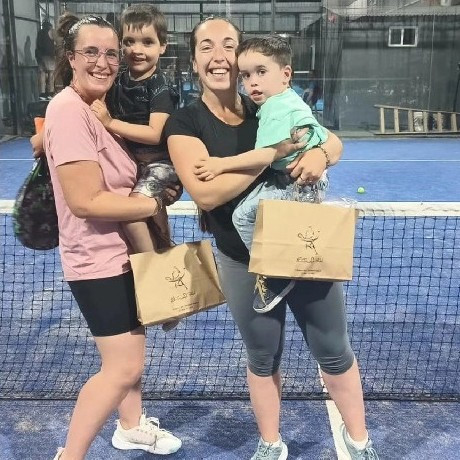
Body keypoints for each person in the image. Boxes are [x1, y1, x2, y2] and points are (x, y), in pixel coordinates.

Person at [165, 16, 379, 460]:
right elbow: (206, 194)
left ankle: (360, 442)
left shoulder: (268, 103)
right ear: (194, 61)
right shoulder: (184, 122)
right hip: (241, 260)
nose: (219, 56)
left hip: (302, 247)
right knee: (262, 357)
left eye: (228, 45)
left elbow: (331, 142)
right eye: (206, 47)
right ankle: (270, 442)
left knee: (334, 349)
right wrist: (275, 156)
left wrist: (319, 155)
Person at [43, 15, 182, 459]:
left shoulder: (100, 107)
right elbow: (86, 201)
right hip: (96, 259)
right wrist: (149, 204)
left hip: (122, 254)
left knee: (131, 357)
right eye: (91, 52)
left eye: (110, 54)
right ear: (71, 58)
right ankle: (70, 455)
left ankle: (131, 426)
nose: (102, 62)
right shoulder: (69, 110)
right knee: (122, 368)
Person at [193, 35, 329, 314]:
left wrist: (220, 165)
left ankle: (273, 275)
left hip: (295, 184)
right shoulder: (280, 102)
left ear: (286, 75)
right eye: (246, 75)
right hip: (289, 180)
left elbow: (268, 155)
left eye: (261, 72)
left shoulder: (278, 109)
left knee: (242, 216)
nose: (252, 82)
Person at [90, 3, 181, 332]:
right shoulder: (118, 81)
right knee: (150, 230)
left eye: (147, 42)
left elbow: (156, 133)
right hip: (134, 165)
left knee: (131, 214)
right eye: (128, 42)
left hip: (162, 166)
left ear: (162, 47)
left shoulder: (160, 87)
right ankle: (169, 295)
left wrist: (110, 122)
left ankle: (156, 286)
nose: (136, 50)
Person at [35, 19, 56, 100]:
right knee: (51, 75)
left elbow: (38, 45)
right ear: (50, 26)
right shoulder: (51, 32)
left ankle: (42, 93)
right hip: (49, 56)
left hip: (41, 56)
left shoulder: (39, 33)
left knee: (42, 75)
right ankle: (50, 92)